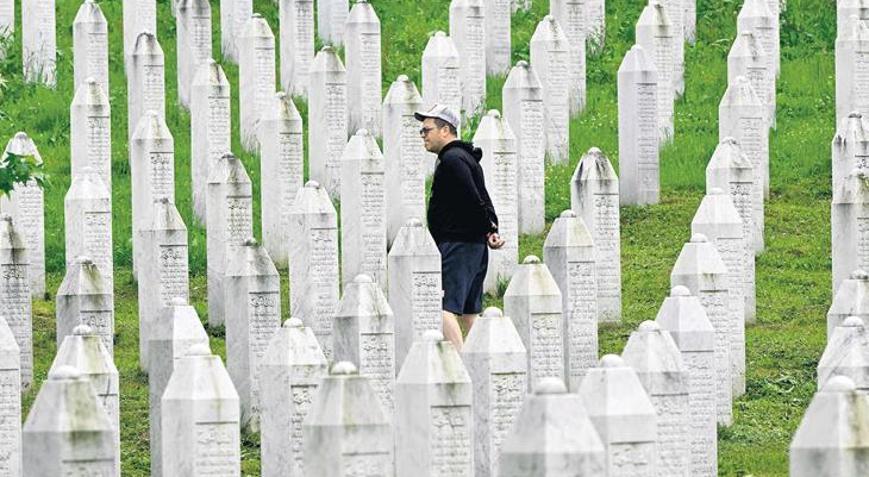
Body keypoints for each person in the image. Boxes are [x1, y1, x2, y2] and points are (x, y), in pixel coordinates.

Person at [414, 104, 505, 351]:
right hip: (472, 245)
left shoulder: (453, 159)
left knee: (441, 307)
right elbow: (483, 198)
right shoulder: (464, 157)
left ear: (445, 130)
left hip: (459, 246)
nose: (423, 135)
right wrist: (490, 229)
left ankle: (461, 365)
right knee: (468, 312)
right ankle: (486, 361)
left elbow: (473, 197)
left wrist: (488, 228)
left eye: (426, 130)